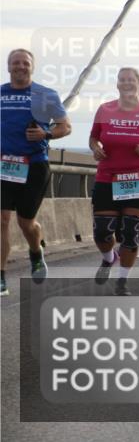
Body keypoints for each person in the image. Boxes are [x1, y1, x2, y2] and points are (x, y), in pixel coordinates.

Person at [88, 68, 139, 295]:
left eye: (131, 80)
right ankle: (108, 257)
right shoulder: (105, 109)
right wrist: (96, 149)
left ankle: (122, 281)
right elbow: (93, 137)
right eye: (122, 80)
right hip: (107, 177)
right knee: (102, 232)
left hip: (138, 177)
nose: (126, 83)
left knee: (131, 232)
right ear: (117, 84)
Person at [1, 49, 71, 295]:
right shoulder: (1, 93)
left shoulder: (45, 94)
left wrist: (46, 133)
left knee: (26, 222)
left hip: (34, 165)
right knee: (2, 220)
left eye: (25, 63)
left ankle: (35, 252)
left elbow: (65, 126)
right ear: (8, 66)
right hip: (3, 165)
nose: (20, 66)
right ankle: (1, 277)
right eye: (15, 63)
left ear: (32, 66)